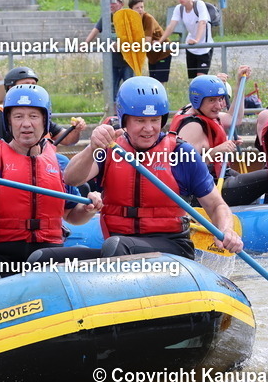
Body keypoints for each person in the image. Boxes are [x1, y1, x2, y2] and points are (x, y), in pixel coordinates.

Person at [64, 77, 243, 258]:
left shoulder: (181, 153)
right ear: (124, 120)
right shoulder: (110, 149)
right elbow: (71, 178)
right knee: (43, 257)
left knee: (117, 245)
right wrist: (92, 148)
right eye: (140, 121)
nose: (148, 129)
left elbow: (216, 204)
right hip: (120, 245)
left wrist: (226, 230)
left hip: (172, 248)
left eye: (155, 120)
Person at [0, 84, 103, 267]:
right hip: (1, 256)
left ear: (45, 121)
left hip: (49, 253)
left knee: (96, 256)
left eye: (33, 116)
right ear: (9, 122)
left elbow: (72, 216)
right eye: (18, 116)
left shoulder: (60, 163)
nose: (26, 124)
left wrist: (88, 209)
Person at [168, 68, 268, 205]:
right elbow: (185, 168)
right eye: (212, 100)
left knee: (258, 183)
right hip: (206, 191)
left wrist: (239, 85)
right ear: (197, 100)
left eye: (220, 99)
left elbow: (234, 118)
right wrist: (217, 150)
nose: (219, 105)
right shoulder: (193, 126)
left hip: (220, 175)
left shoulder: (199, 111)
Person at [0, 66, 84, 146]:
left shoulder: (39, 111)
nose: (31, 88)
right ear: (11, 88)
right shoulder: (0, 114)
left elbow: (68, 140)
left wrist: (76, 130)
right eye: (18, 116)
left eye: (33, 84)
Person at [158, 0, 213, 79]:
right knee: (193, 80)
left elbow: (202, 22)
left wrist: (197, 40)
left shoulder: (199, 4)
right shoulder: (179, 8)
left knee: (201, 79)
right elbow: (171, 26)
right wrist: (160, 41)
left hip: (204, 47)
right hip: (190, 47)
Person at [83, 0, 134, 88]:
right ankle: (113, 103)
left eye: (114, 2)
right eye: (109, 2)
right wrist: (86, 43)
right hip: (112, 60)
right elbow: (95, 30)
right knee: (112, 88)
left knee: (129, 87)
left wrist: (118, 44)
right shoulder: (106, 17)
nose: (111, 5)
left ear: (121, 4)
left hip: (127, 61)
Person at [128, 0, 173, 83]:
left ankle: (161, 96)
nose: (140, 10)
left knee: (159, 82)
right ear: (131, 10)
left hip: (163, 52)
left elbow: (147, 41)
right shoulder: (132, 21)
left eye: (142, 7)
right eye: (137, 8)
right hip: (152, 55)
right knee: (152, 80)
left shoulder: (148, 18)